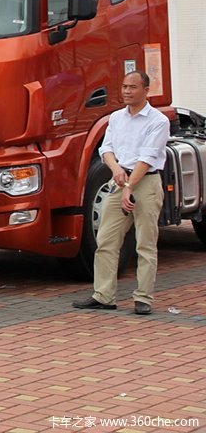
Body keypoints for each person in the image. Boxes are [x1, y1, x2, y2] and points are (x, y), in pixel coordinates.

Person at [73, 70, 171, 316]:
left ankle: (143, 298)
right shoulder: (116, 118)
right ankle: (103, 295)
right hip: (120, 180)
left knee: (145, 243)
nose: (127, 91)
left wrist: (129, 187)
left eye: (133, 87)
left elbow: (147, 158)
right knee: (106, 240)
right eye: (124, 86)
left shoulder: (158, 121)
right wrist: (116, 170)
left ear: (146, 90)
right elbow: (106, 148)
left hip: (145, 183)